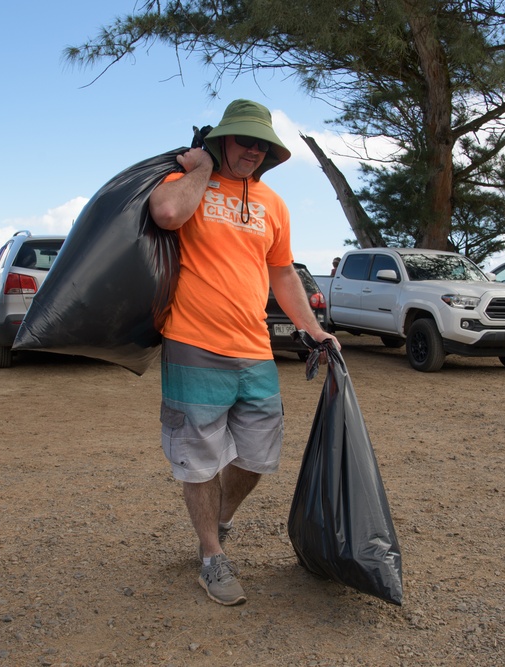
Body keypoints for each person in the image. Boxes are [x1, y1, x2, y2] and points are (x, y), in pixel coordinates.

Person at [149, 99, 339, 606]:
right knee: (200, 460)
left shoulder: (273, 205)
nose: (252, 151)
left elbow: (281, 273)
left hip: (254, 348)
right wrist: (204, 168)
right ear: (221, 140)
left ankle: (220, 521)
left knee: (258, 456)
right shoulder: (187, 184)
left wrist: (312, 328)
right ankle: (212, 557)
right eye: (243, 140)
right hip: (192, 342)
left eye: (261, 144)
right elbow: (166, 215)